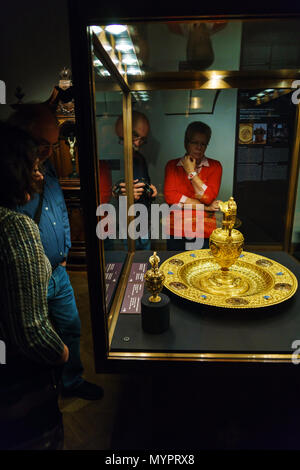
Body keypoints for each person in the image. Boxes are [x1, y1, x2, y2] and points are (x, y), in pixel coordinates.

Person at [9, 104, 103, 400]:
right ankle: (41, 390)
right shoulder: (11, 175)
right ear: (20, 137)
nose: (48, 151)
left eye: (53, 144)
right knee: (31, 337)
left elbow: (58, 206)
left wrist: (65, 247)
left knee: (70, 326)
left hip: (58, 271)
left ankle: (71, 381)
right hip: (27, 277)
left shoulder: (46, 167)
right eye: (42, 144)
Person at [0, 121, 69, 449]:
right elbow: (30, 332)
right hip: (17, 383)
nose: (38, 171)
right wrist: (61, 353)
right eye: (32, 165)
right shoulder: (14, 228)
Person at [164, 121, 222, 250]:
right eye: (195, 142)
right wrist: (205, 208)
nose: (199, 147)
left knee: (203, 267)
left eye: (203, 144)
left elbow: (208, 197)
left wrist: (191, 172)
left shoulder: (215, 166)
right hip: (177, 229)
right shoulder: (172, 166)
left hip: (204, 229)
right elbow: (171, 198)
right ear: (186, 143)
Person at [114, 111, 157, 250]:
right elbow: (105, 192)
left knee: (144, 261)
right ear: (122, 129)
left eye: (142, 139)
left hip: (143, 220)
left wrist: (151, 190)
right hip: (123, 221)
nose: (138, 143)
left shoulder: (139, 158)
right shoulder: (112, 156)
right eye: (135, 136)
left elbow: (145, 183)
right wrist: (118, 192)